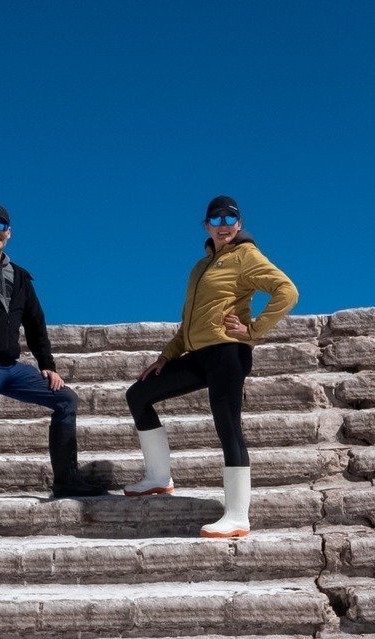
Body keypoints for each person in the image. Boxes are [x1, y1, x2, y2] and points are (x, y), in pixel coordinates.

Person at [124, 195, 299, 538]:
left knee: (227, 424)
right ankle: (159, 478)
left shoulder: (247, 256)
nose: (222, 225)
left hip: (229, 354)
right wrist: (165, 357)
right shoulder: (200, 266)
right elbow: (188, 322)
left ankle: (237, 516)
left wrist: (253, 331)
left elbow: (287, 291)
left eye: (229, 219)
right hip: (198, 355)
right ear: (206, 226)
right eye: (215, 219)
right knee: (138, 395)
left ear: (239, 223)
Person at [0, 203, 105, 542]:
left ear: (9, 232)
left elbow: (36, 324)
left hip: (11, 367)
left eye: (1, 224)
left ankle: (66, 480)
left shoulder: (21, 277)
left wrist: (48, 366)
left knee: (66, 400)